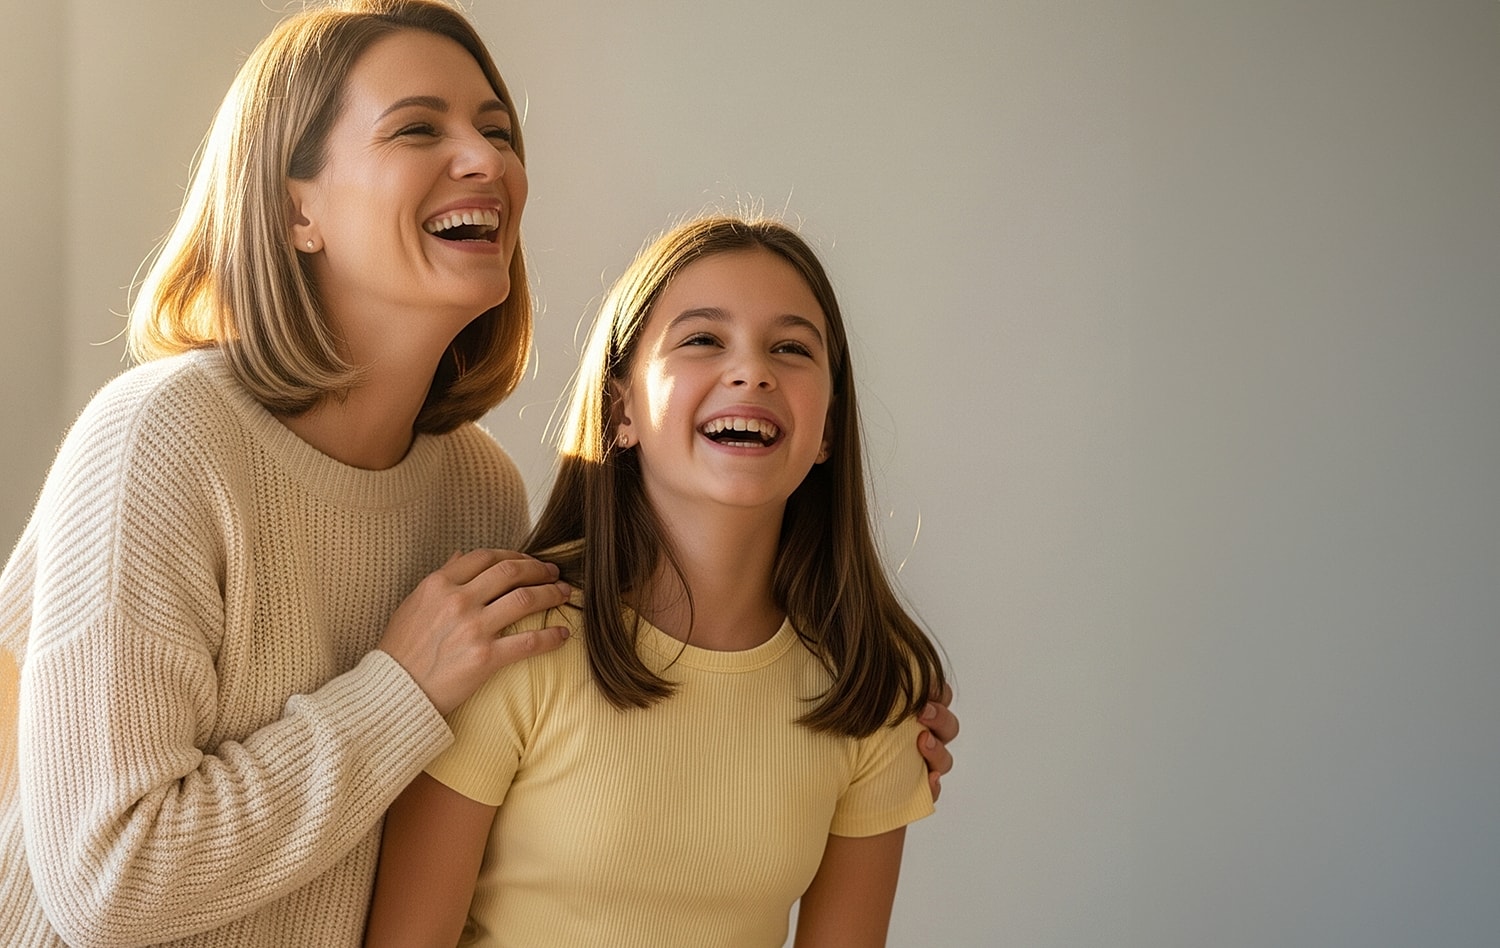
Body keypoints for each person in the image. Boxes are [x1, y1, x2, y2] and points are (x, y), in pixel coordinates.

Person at [0, 3, 957, 947]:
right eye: (419, 128)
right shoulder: (161, 438)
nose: (488, 161)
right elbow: (107, 886)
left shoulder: (477, 491)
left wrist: (837, 706)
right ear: (296, 209)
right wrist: (399, 690)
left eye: (498, 132)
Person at [364, 215, 951, 947]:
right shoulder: (512, 639)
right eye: (703, 339)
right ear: (623, 409)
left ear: (828, 427)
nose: (753, 372)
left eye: (792, 348)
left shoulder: (873, 686)